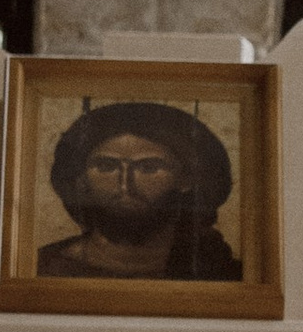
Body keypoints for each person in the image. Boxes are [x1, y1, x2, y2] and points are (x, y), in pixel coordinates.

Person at [37, 100, 241, 282]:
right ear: (81, 179)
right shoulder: (43, 269)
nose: (125, 185)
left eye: (148, 168)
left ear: (186, 179)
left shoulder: (220, 273)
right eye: (106, 167)